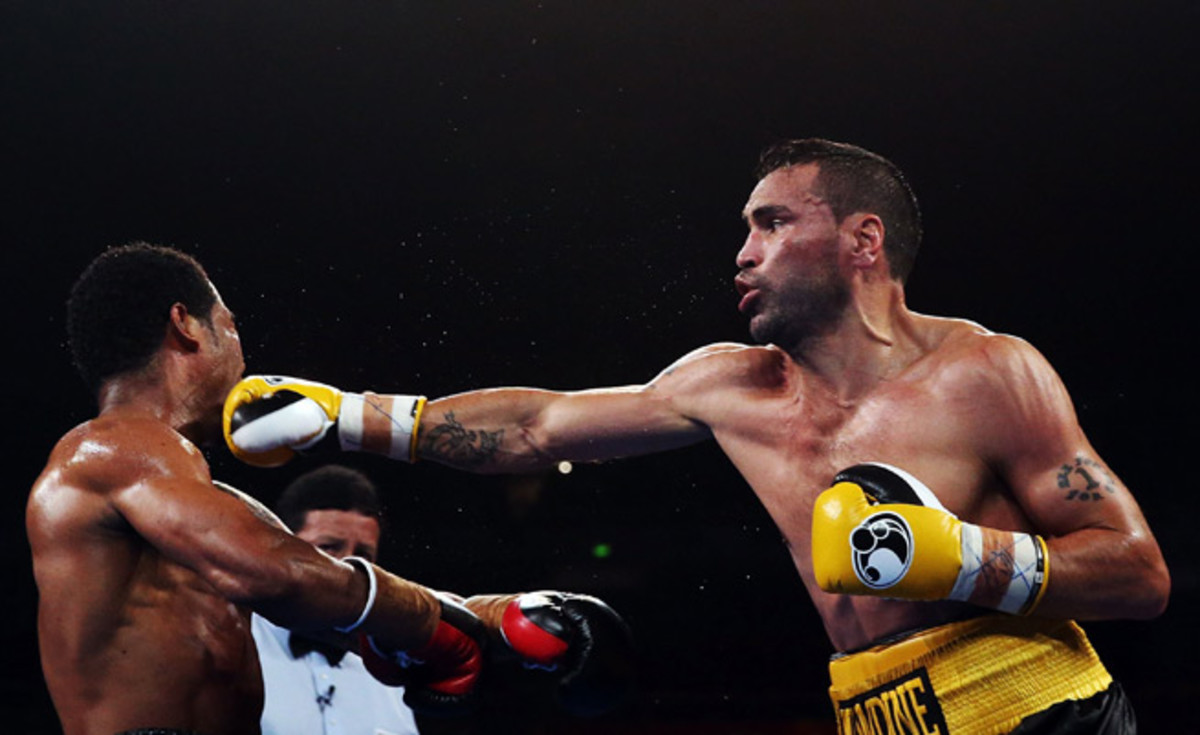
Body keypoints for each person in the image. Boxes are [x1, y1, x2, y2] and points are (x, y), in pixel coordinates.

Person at [225, 138, 1171, 734]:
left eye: (772, 223)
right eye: (745, 229)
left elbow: (1139, 573)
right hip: (875, 711)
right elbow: (541, 426)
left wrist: (958, 559)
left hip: (1042, 706)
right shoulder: (731, 385)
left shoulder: (985, 371)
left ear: (863, 240)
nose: (743, 253)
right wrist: (346, 413)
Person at [28, 243, 631, 735]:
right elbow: (274, 573)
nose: (241, 356)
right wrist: (442, 623)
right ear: (186, 326)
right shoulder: (106, 449)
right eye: (231, 328)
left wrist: (495, 616)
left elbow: (330, 594)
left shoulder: (210, 503)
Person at [251, 465, 418, 735]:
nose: (347, 568)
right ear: (282, 547)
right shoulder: (237, 643)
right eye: (328, 548)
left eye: (362, 556)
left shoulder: (388, 669)